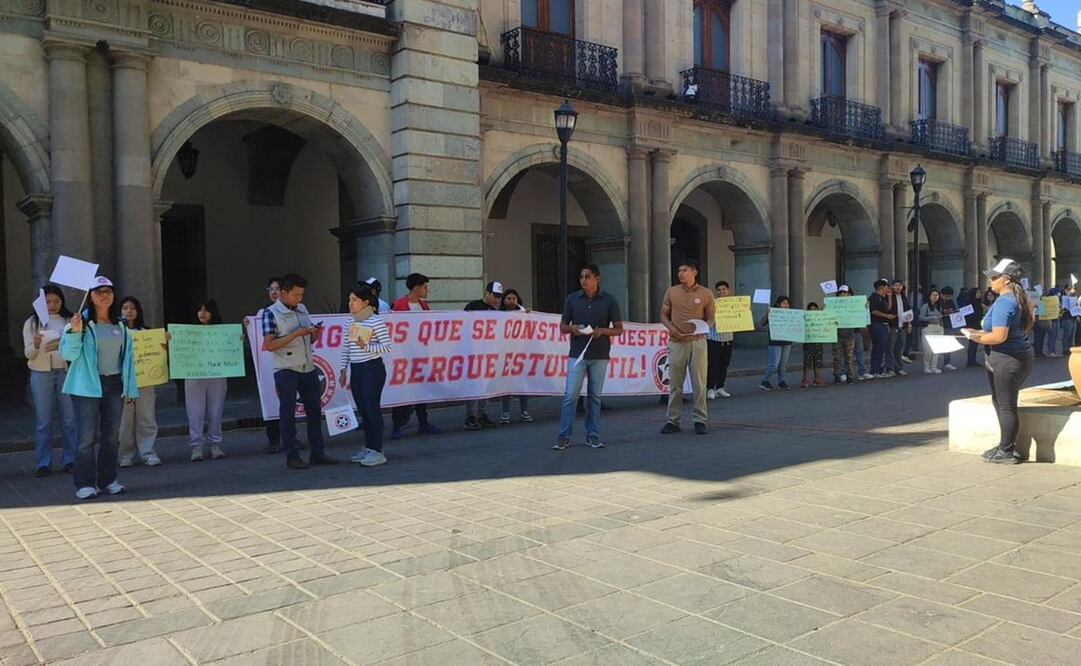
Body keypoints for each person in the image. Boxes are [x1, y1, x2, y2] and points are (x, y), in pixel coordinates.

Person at [61, 276, 139, 500]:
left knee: (111, 436)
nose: (104, 295)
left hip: (114, 384)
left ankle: (108, 480)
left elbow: (128, 359)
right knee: (86, 437)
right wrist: (74, 333)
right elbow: (68, 355)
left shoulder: (120, 324)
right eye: (99, 291)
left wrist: (131, 388)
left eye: (108, 291)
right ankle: (84, 483)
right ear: (91, 297)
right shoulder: (80, 323)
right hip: (87, 386)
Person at [262, 273, 339, 469]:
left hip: (308, 366)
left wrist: (314, 335)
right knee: (288, 413)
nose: (300, 298)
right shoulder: (270, 313)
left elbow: (309, 340)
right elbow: (269, 345)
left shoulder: (302, 309)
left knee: (314, 411)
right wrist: (296, 334)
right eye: (296, 295)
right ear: (284, 293)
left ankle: (318, 452)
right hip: (286, 368)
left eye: (301, 294)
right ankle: (292, 456)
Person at [962, 259, 1034, 464]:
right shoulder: (1019, 299)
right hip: (1015, 357)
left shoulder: (1005, 301)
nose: (990, 280)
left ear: (1007, 279)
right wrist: (978, 332)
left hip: (1006, 359)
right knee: (1003, 402)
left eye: (994, 277)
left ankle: (1007, 450)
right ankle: (1005, 444)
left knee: (1005, 406)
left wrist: (975, 337)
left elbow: (999, 336)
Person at [554, 264, 623, 450]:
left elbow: (619, 329)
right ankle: (564, 435)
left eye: (588, 276)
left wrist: (602, 331)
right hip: (577, 354)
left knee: (595, 397)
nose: (584, 280)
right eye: (581, 277)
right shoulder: (572, 299)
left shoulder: (609, 300)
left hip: (599, 354)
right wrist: (572, 328)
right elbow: (562, 326)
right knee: (570, 395)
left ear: (597, 279)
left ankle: (592, 434)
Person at [23, 284, 77, 477]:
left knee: (69, 419)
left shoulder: (70, 320)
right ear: (41, 304)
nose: (52, 305)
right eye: (48, 302)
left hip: (65, 372)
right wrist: (36, 345)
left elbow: (76, 345)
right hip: (41, 374)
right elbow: (28, 354)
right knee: (44, 421)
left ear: (62, 301)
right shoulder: (32, 323)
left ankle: (70, 459)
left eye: (56, 301)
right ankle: (43, 462)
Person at [340, 284, 392, 467]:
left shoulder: (375, 321)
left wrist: (367, 346)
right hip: (356, 369)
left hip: (372, 368)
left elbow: (387, 346)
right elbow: (346, 347)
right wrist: (342, 370)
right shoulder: (350, 321)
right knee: (363, 410)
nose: (351, 303)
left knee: (372, 408)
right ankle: (368, 448)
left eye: (354, 300)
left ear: (366, 302)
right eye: (349, 299)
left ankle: (378, 451)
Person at [660, 261, 715, 435]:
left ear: (694, 272)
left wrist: (703, 327)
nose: (681, 273)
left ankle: (700, 420)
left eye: (685, 270)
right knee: (675, 383)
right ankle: (673, 420)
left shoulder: (705, 293)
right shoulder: (672, 291)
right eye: (679, 270)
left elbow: (711, 317)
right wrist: (671, 329)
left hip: (697, 342)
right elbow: (663, 314)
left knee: (699, 383)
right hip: (677, 342)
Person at [390, 273, 441, 439]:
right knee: (401, 391)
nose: (427, 290)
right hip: (404, 356)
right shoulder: (399, 305)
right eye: (425, 286)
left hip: (421, 355)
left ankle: (423, 422)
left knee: (421, 389)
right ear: (417, 287)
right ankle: (397, 425)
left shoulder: (424, 307)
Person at [185, 299, 231, 462]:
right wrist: (170, 339)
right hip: (193, 375)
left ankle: (215, 444)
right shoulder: (186, 333)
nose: (202, 313)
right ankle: (196, 446)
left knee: (216, 410)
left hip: (216, 374)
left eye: (206, 310)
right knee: (195, 412)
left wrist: (237, 341)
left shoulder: (223, 332)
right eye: (200, 310)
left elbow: (231, 350)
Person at [117, 296, 161, 467]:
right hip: (123, 381)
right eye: (125, 308)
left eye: (132, 308)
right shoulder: (115, 332)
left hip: (145, 380)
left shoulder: (147, 332)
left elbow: (157, 353)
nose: (129, 311)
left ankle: (148, 452)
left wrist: (163, 342)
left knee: (147, 416)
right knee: (125, 420)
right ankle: (125, 454)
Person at [463, 281, 503, 430]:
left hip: (488, 354)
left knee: (485, 385)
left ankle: (481, 414)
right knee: (473, 385)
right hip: (473, 352)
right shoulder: (472, 306)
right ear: (487, 293)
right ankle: (471, 416)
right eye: (495, 296)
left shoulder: (496, 312)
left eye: (499, 297)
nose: (497, 300)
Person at [499, 289, 533, 424]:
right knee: (505, 384)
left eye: (514, 298)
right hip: (504, 354)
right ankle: (505, 412)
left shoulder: (524, 313)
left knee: (522, 384)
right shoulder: (498, 316)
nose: (512, 301)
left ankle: (524, 411)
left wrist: (529, 315)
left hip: (520, 353)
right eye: (509, 298)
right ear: (504, 300)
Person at [259, 277, 283, 453]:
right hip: (268, 364)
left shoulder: (294, 310)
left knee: (287, 402)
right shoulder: (263, 313)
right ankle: (273, 439)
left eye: (278, 288)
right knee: (270, 400)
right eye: (271, 289)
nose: (274, 292)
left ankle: (291, 436)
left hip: (285, 363)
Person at [706, 281, 734, 399]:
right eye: (719, 289)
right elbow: (707, 319)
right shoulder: (711, 304)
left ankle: (720, 387)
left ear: (728, 290)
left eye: (723, 289)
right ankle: (710, 388)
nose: (721, 291)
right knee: (713, 364)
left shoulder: (734, 304)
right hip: (714, 338)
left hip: (728, 338)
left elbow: (740, 317)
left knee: (724, 364)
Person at [759, 295, 792, 391]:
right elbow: (761, 323)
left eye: (787, 303)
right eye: (783, 303)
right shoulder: (773, 313)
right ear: (778, 304)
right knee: (774, 364)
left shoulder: (791, 314)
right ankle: (765, 381)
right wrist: (768, 314)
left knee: (783, 364)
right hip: (775, 342)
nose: (786, 306)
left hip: (787, 342)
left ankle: (781, 381)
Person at [831, 285, 858, 385]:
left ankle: (850, 376)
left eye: (845, 293)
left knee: (849, 357)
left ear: (849, 294)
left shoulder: (854, 305)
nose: (842, 295)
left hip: (849, 334)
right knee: (836, 357)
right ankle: (837, 375)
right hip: (836, 334)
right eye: (841, 293)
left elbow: (860, 314)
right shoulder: (833, 305)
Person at [868, 279, 895, 377]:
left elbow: (888, 308)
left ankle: (878, 369)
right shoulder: (875, 296)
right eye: (886, 286)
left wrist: (890, 297)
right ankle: (875, 369)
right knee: (878, 347)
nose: (888, 288)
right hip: (876, 324)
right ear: (882, 287)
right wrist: (887, 316)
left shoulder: (882, 297)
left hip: (883, 324)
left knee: (882, 346)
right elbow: (874, 311)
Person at [919, 288, 945, 375]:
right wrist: (931, 318)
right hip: (928, 328)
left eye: (937, 295)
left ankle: (934, 366)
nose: (935, 297)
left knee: (936, 349)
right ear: (929, 296)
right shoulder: (925, 306)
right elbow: (921, 317)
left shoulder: (939, 306)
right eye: (933, 295)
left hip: (938, 328)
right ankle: (927, 366)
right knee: (928, 349)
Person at [887, 279, 910, 376]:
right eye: (895, 285)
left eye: (899, 285)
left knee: (900, 347)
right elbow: (888, 309)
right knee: (890, 348)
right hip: (892, 324)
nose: (897, 287)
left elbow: (908, 311)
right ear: (892, 286)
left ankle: (899, 368)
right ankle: (890, 368)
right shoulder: (889, 296)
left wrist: (909, 324)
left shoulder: (904, 297)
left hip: (902, 325)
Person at [801, 302, 824, 388]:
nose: (813, 311)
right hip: (808, 343)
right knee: (807, 362)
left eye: (815, 309)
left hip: (819, 343)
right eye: (811, 309)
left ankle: (817, 378)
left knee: (818, 362)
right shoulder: (805, 319)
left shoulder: (822, 318)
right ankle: (805, 379)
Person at [963, 287, 985, 367]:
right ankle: (970, 361)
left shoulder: (978, 303)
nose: (980, 294)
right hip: (972, 325)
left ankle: (973, 360)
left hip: (978, 324)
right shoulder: (969, 304)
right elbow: (966, 315)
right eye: (978, 293)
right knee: (972, 344)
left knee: (975, 344)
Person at [940, 286, 959, 370]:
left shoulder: (951, 302)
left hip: (949, 324)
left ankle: (947, 362)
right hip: (939, 324)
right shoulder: (938, 302)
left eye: (949, 296)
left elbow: (955, 311)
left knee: (947, 343)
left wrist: (952, 312)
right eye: (946, 296)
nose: (948, 298)